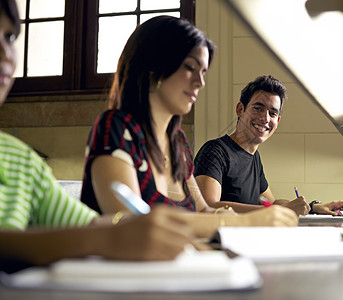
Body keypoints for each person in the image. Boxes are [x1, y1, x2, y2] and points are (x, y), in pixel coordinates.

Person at [0, 0, 198, 272]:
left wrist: (138, 230)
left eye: (10, 37)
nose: (5, 53)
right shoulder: (115, 127)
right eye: (189, 67)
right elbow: (102, 233)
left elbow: (94, 225)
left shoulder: (22, 161)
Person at [80, 16, 298, 237]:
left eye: (202, 72)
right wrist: (247, 222)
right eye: (190, 68)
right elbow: (132, 227)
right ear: (154, 65)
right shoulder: (116, 128)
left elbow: (204, 210)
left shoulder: (177, 143)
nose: (200, 82)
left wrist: (237, 218)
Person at [194, 75, 343, 215]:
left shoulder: (254, 157)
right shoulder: (215, 151)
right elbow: (209, 207)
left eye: (273, 113)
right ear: (240, 109)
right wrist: (276, 210)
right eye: (258, 108)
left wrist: (313, 207)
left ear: (278, 121)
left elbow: (272, 203)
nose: (265, 118)